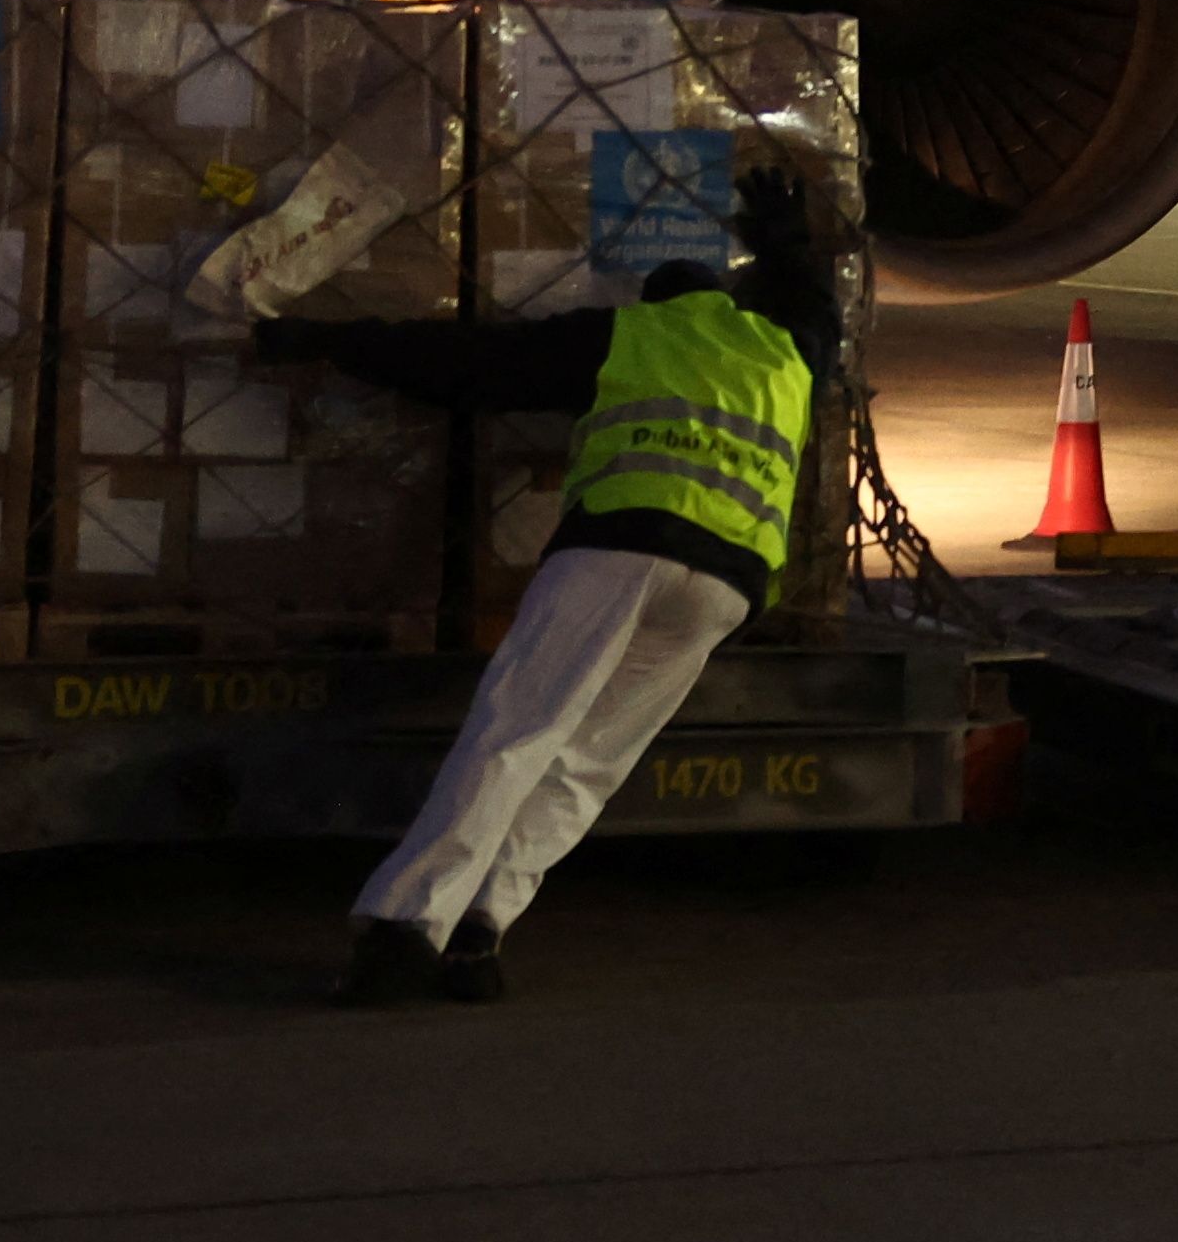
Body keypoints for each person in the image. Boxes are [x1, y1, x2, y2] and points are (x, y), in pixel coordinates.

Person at [263, 168, 834, 1005]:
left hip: (619, 550)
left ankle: (404, 930)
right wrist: (781, 234)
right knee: (586, 764)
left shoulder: (626, 337)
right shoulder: (785, 352)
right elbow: (812, 299)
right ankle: (479, 931)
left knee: (516, 733)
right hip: (726, 586)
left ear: (656, 300)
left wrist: (325, 341)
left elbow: (466, 363)